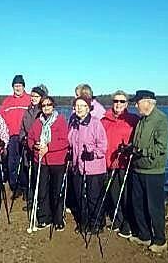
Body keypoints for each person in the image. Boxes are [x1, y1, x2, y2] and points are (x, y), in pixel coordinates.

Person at [127, 90, 168, 253]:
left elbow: (161, 147)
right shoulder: (142, 120)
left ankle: (160, 240)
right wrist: (130, 149)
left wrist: (141, 151)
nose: (135, 105)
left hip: (153, 171)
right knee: (138, 204)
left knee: (155, 207)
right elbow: (137, 142)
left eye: (138, 102)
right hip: (138, 169)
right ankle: (144, 235)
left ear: (148, 102)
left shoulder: (161, 119)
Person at [100, 90, 139, 238]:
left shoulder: (132, 120)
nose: (118, 104)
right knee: (114, 194)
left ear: (126, 104)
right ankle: (118, 219)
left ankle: (128, 224)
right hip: (109, 163)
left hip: (125, 164)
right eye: (116, 101)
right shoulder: (105, 120)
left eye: (122, 101)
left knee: (126, 196)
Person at [27, 96, 69, 231]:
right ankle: (44, 217)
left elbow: (64, 141)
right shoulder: (37, 123)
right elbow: (31, 138)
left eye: (49, 104)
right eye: (44, 105)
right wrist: (35, 146)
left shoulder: (61, 120)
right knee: (42, 190)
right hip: (41, 160)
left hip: (57, 160)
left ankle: (58, 219)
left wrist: (48, 147)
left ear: (53, 106)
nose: (46, 107)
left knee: (57, 190)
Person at [68, 95, 108, 234]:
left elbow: (103, 146)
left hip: (94, 168)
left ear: (88, 108)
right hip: (78, 166)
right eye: (76, 106)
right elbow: (71, 142)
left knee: (93, 197)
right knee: (80, 196)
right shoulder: (74, 123)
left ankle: (97, 223)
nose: (78, 108)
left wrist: (93, 153)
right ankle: (83, 221)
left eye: (82, 106)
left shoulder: (96, 123)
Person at [0, 75, 31, 199]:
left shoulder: (29, 100)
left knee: (25, 162)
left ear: (23, 86)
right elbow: (1, 119)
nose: (18, 88)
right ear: (12, 87)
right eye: (15, 86)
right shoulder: (7, 101)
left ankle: (25, 187)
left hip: (25, 136)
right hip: (11, 136)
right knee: (12, 162)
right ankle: (15, 187)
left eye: (20, 85)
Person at [19, 84, 48, 210]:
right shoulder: (28, 111)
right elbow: (22, 129)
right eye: (32, 96)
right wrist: (23, 139)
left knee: (40, 177)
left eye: (36, 96)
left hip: (40, 149)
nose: (33, 98)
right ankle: (31, 201)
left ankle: (41, 203)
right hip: (28, 148)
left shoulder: (43, 111)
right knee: (30, 175)